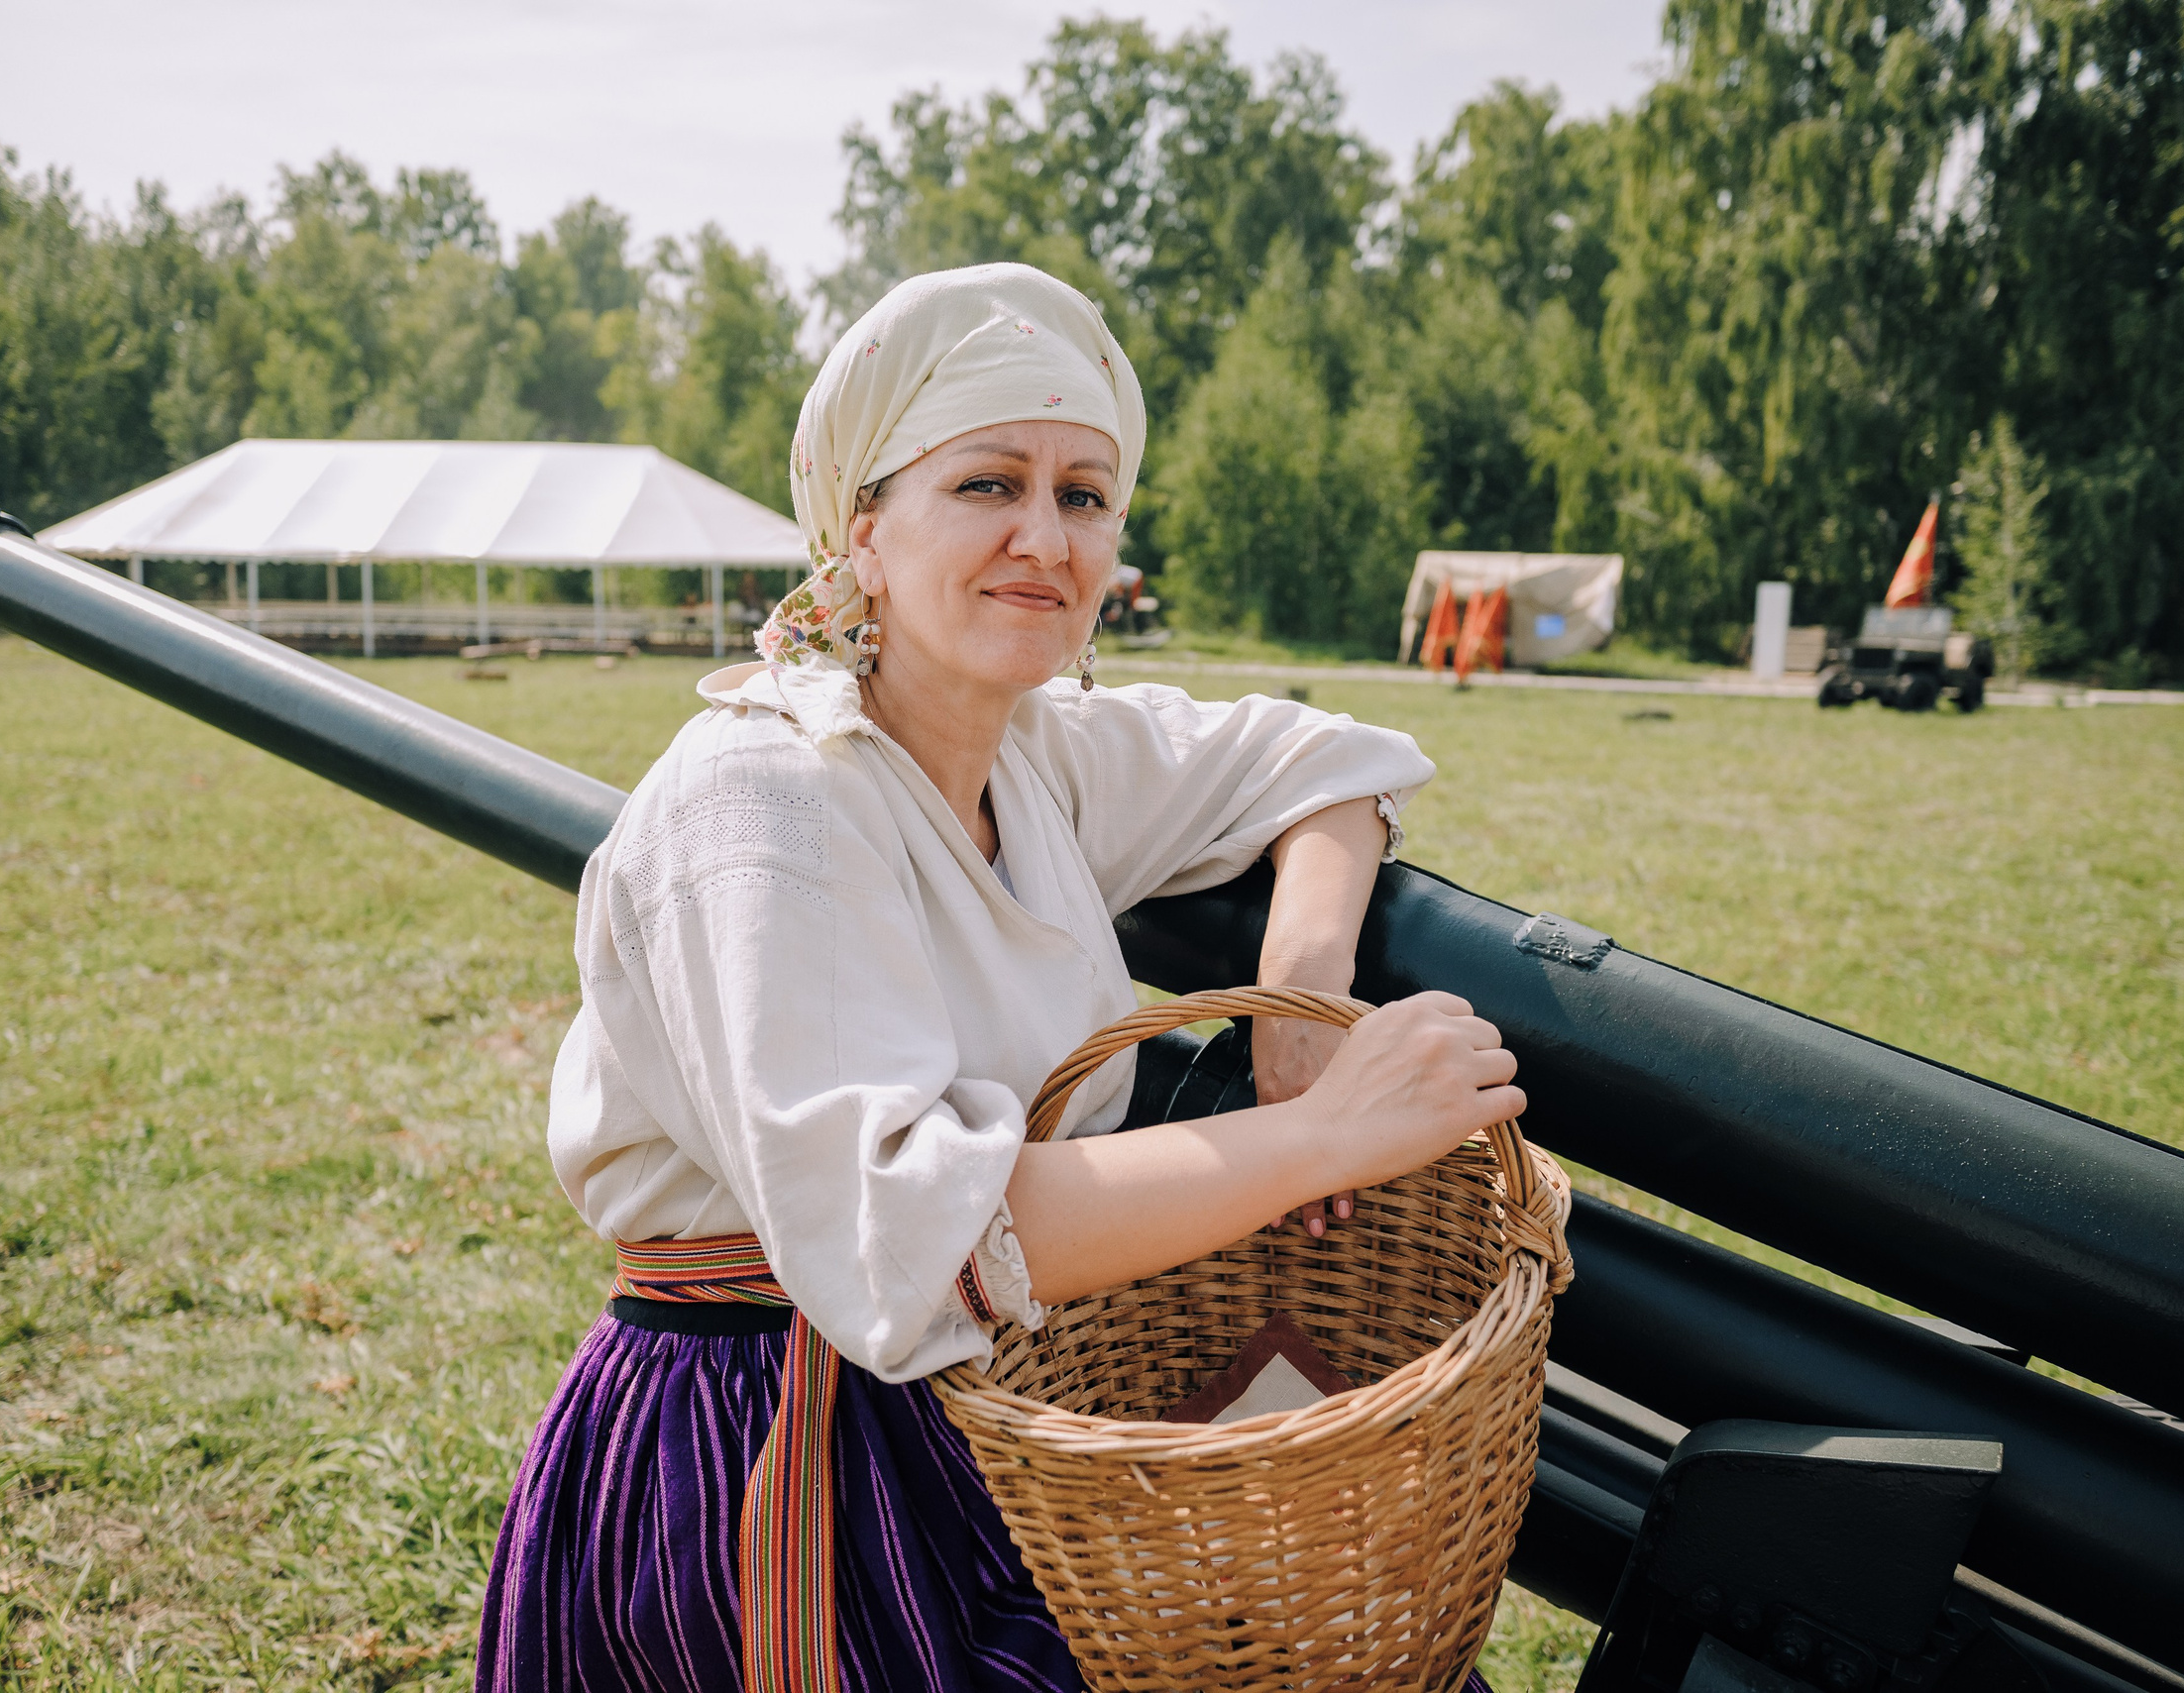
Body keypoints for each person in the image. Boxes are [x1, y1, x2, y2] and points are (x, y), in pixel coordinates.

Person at [479, 263, 1526, 1692]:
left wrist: (1302, 994)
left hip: (997, 1413)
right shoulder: (766, 795)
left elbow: (1326, 758)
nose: (1045, 535)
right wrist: (1320, 1137)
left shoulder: (1031, 755)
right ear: (864, 533)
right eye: (988, 484)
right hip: (761, 1451)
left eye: (1084, 497)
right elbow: (910, 1233)